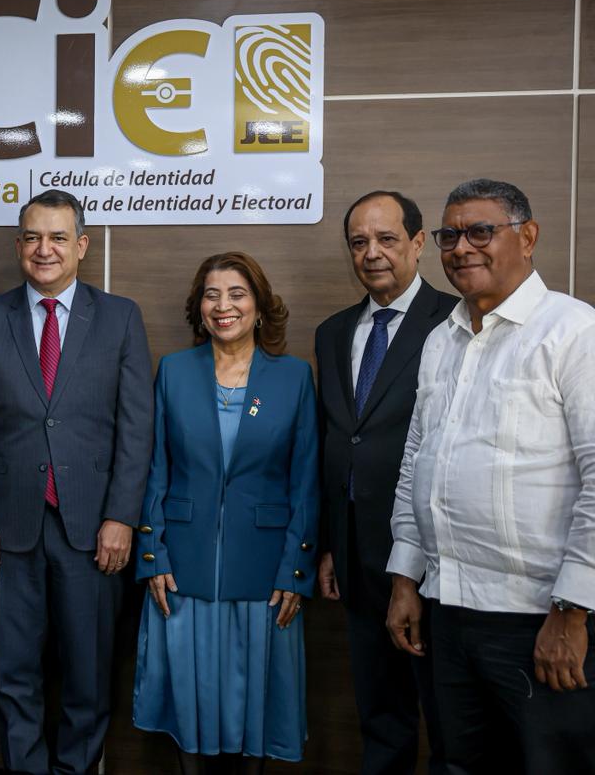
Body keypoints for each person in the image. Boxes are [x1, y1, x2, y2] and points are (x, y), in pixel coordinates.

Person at [386, 179, 595, 772]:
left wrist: (572, 610)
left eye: (481, 231)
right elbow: (417, 462)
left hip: (539, 617)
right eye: (449, 236)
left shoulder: (573, 331)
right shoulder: (441, 341)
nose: (461, 248)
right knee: (459, 763)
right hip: (447, 610)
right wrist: (405, 578)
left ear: (527, 237)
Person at [0, 189, 153, 774]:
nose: (45, 249)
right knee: (15, 677)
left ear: (81, 246)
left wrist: (121, 517)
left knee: (88, 676)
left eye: (58, 237)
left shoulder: (120, 317)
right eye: (33, 237)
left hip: (93, 530)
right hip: (5, 532)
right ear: (18, 245)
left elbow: (137, 430)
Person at [133, 251, 318, 773]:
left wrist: (296, 570)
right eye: (211, 295)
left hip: (264, 574)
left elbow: (305, 482)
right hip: (182, 571)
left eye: (237, 294)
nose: (223, 306)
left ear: (259, 306)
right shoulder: (174, 371)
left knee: (255, 712)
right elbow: (155, 470)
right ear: (199, 307)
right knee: (189, 706)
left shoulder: (293, 377)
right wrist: (152, 554)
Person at [314, 191, 455, 775]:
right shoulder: (332, 332)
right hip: (355, 551)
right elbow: (336, 439)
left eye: (387, 239)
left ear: (418, 244)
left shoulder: (455, 321)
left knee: (449, 720)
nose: (372, 253)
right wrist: (330, 543)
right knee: (379, 713)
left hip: (433, 557)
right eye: (359, 242)